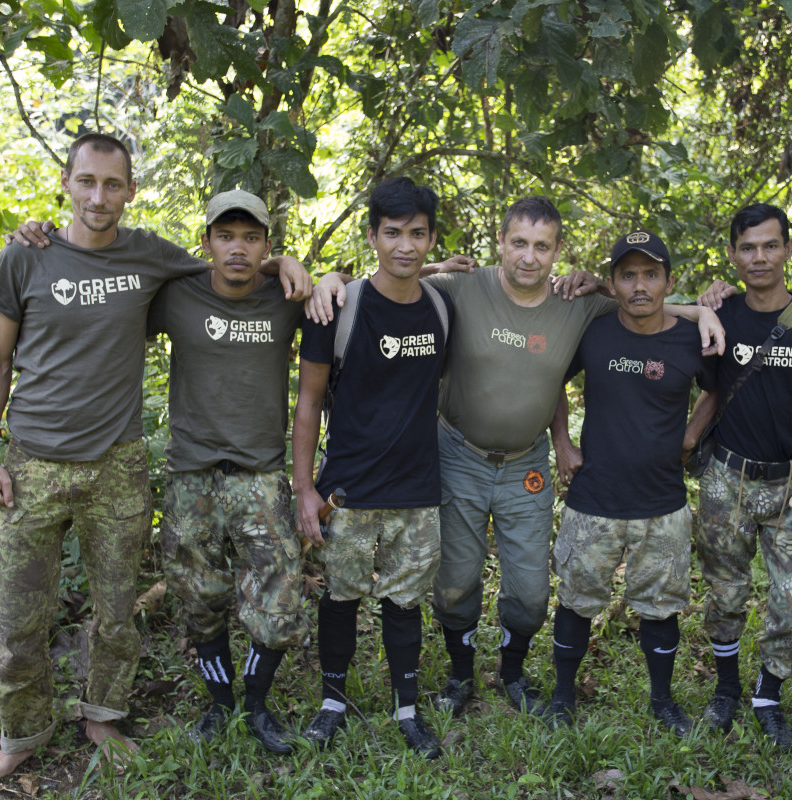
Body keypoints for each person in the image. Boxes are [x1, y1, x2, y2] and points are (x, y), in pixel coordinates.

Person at [0, 134, 308, 786]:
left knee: (116, 611)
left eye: (113, 184)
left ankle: (103, 715)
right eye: (87, 182)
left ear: (130, 190)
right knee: (17, 618)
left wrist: (292, 262)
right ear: (67, 183)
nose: (99, 196)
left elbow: (233, 269)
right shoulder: (25, 258)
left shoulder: (152, 258)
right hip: (34, 463)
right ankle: (22, 734)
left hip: (117, 464)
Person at [309, 198, 725, 717]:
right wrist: (330, 277)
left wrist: (702, 309)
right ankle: (461, 675)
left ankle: (512, 670)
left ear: (556, 252)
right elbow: (389, 282)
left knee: (529, 591)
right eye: (519, 243)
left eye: (542, 246)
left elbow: (644, 308)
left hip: (527, 464)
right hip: (457, 453)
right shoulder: (461, 287)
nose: (530, 257)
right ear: (501, 242)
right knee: (455, 580)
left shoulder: (576, 303)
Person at [290, 177, 454, 759]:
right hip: (350, 489)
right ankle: (332, 702)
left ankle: (406, 709)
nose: (405, 246)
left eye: (417, 234)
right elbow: (308, 401)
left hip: (418, 489)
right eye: (392, 233)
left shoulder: (441, 306)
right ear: (372, 235)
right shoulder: (337, 306)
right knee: (340, 595)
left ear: (431, 238)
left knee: (406, 601)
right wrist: (305, 487)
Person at [146, 190, 306, 754]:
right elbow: (109, 291)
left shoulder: (287, 296)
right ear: (208, 241)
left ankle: (257, 704)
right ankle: (220, 705)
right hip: (192, 474)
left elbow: (366, 290)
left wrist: (438, 268)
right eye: (225, 236)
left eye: (251, 238)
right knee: (199, 595)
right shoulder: (176, 296)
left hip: (259, 474)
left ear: (267, 243)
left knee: (281, 592)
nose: (238, 248)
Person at [544, 230, 715, 736]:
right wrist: (561, 442)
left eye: (650, 274)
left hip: (662, 501)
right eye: (628, 275)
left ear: (668, 281)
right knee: (576, 599)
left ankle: (662, 700)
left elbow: (717, 391)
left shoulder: (691, 339)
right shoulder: (594, 331)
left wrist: (691, 434)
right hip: (594, 496)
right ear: (613, 282)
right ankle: (562, 696)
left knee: (661, 607)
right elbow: (550, 377)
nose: (639, 286)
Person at [693, 204, 792, 751]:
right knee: (724, 592)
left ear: (787, 250)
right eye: (747, 247)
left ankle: (768, 696)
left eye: (770, 245)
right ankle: (727, 690)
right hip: (725, 480)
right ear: (733, 254)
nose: (759, 257)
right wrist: (686, 444)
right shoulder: (722, 317)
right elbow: (711, 392)